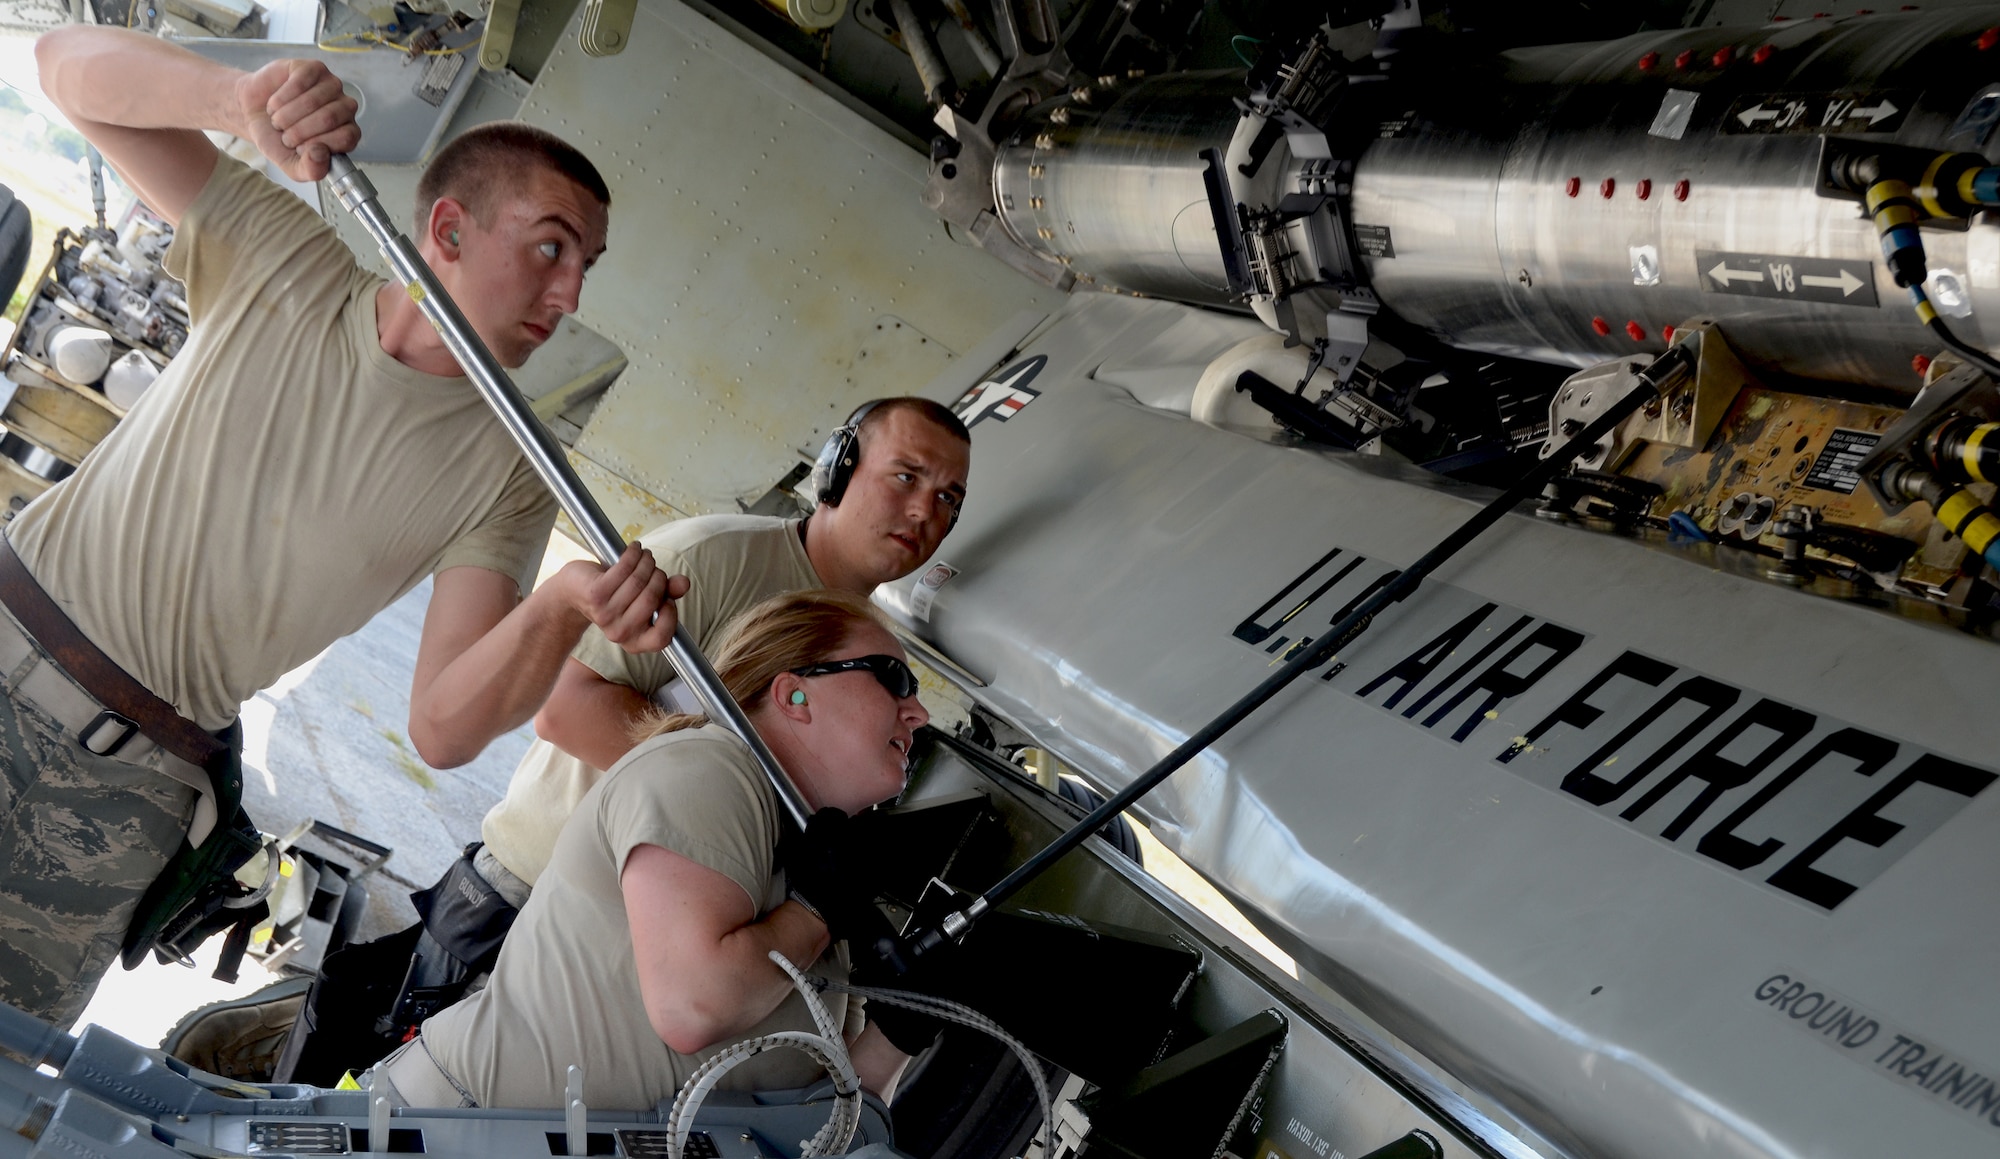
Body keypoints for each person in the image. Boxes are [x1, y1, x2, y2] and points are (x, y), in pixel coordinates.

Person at [6, 27, 680, 1025]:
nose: (572, 291)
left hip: (124, 797)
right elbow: (61, 65)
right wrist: (236, 102)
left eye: (587, 264)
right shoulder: (283, 257)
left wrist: (561, 608)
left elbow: (443, 727)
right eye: (551, 246)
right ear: (448, 230)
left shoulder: (510, 472)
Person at [274, 397, 968, 1083]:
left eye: (948, 498)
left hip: (669, 939)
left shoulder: (869, 647)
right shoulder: (718, 559)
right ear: (838, 469)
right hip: (534, 897)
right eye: (906, 476)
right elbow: (568, 708)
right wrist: (739, 820)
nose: (923, 512)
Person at [375, 589, 925, 1109]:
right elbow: (694, 1006)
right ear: (794, 694)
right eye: (894, 679)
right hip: (464, 1130)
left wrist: (901, 1026)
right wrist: (817, 912)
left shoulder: (800, 856)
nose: (918, 713)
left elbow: (829, 1118)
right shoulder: (708, 769)